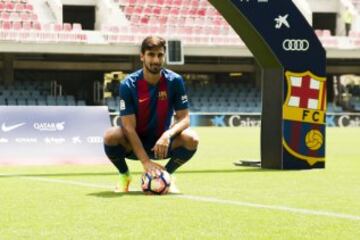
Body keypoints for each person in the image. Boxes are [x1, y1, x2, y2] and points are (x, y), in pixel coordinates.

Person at [103, 36, 199, 193]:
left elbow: (185, 118)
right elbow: (128, 127)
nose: (156, 60)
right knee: (111, 135)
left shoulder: (175, 81)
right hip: (135, 146)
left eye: (160, 55)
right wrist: (145, 162)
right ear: (142, 56)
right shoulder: (128, 85)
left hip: (162, 145)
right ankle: (124, 175)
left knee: (192, 138)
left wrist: (168, 135)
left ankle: (166, 175)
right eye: (151, 55)